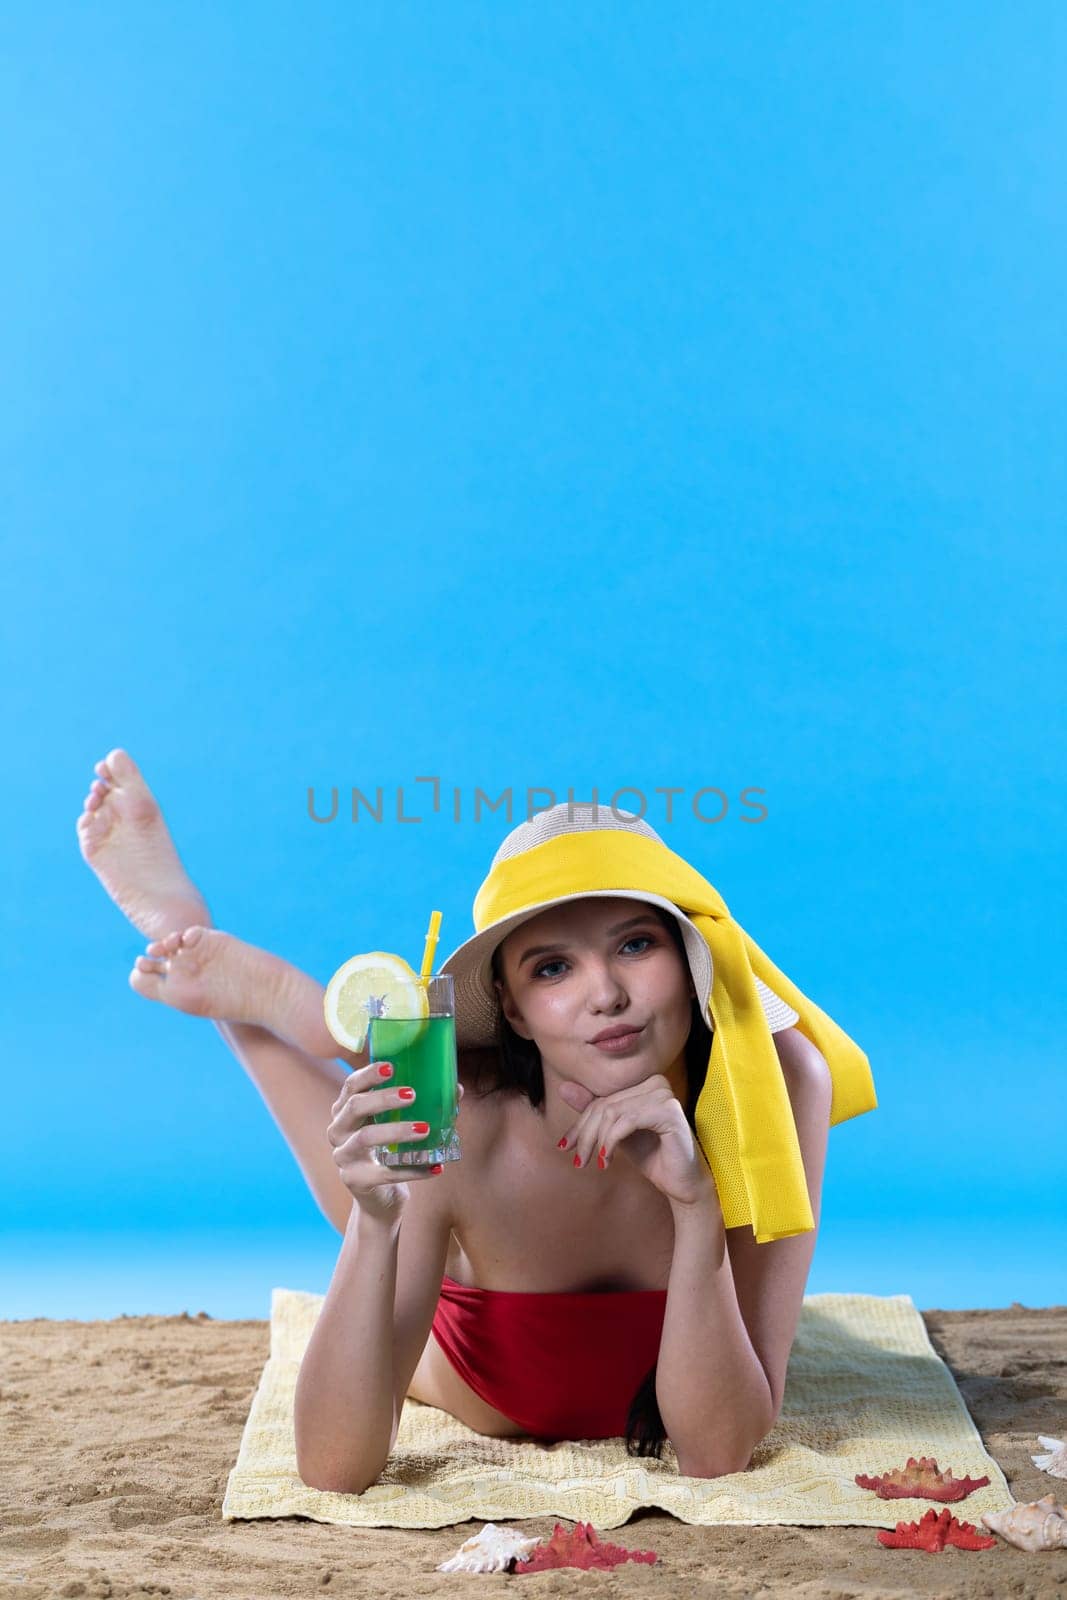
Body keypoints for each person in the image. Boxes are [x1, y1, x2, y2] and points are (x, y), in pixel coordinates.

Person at [77, 748, 875, 1493]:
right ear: (516, 1013)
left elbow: (718, 1450)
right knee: (369, 1182)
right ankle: (226, 974)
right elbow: (330, 1467)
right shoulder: (464, 1108)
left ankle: (328, 1028)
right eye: (552, 967)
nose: (606, 994)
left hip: (695, 1371)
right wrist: (375, 1226)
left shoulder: (778, 1079)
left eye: (635, 945)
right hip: (469, 1365)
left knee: (387, 1163)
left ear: (690, 956)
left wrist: (697, 1207)